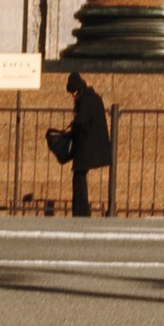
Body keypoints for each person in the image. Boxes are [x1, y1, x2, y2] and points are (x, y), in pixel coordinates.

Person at [51, 69, 114, 218]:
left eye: (72, 92)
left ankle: (80, 211)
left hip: (87, 145)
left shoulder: (85, 100)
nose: (72, 95)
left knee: (78, 177)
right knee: (80, 176)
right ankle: (81, 210)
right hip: (93, 144)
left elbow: (82, 121)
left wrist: (73, 124)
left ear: (77, 90)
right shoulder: (92, 97)